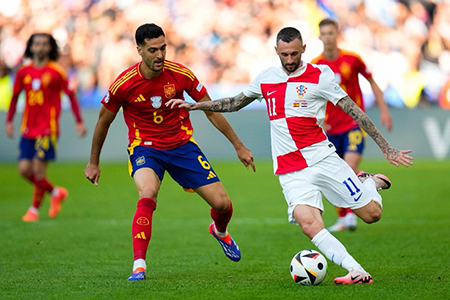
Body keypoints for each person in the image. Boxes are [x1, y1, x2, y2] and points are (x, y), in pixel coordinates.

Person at [167, 26, 413, 284]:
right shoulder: (266, 78)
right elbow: (234, 102)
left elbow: (355, 111)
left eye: (294, 53)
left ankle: (369, 183)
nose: (289, 60)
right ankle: (356, 270)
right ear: (276, 51)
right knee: (308, 223)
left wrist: (387, 148)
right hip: (290, 170)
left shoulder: (320, 76)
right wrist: (196, 105)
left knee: (372, 215)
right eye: (284, 54)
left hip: (322, 159)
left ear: (304, 49)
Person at [84, 23, 256, 281]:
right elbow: (103, 121)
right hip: (146, 148)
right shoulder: (124, 84)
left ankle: (219, 231)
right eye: (153, 50)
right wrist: (93, 162)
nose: (160, 55)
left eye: (163, 48)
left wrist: (238, 145)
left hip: (182, 146)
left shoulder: (180, 74)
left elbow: (210, 108)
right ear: (139, 50)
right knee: (147, 193)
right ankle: (139, 265)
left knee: (222, 204)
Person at [310, 18, 393, 232]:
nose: (328, 37)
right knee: (333, 173)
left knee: (349, 167)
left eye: (331, 33)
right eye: (324, 34)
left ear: (337, 34)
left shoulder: (352, 59)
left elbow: (371, 81)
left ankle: (354, 210)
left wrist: (383, 109)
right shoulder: (316, 66)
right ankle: (344, 216)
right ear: (320, 37)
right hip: (330, 129)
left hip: (353, 125)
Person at [5, 33, 87, 222]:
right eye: (37, 44)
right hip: (28, 128)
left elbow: (71, 96)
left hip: (47, 129)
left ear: (50, 48)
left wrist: (79, 121)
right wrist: (9, 121)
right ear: (31, 47)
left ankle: (33, 209)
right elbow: (15, 97)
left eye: (44, 44)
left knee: (39, 170)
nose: (40, 48)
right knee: (24, 170)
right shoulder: (23, 72)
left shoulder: (57, 72)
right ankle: (55, 192)